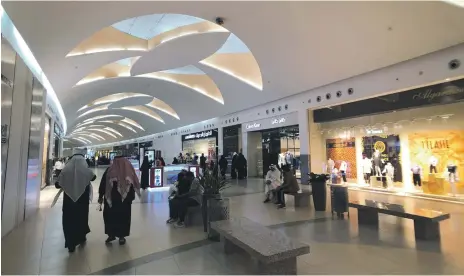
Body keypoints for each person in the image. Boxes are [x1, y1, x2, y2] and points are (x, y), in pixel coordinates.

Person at [55, 150, 96, 252]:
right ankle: (81, 237)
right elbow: (94, 177)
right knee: (81, 218)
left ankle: (70, 243)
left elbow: (57, 184)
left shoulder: (66, 170)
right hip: (82, 201)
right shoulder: (85, 170)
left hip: (69, 202)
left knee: (69, 220)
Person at [98, 157, 141, 245]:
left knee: (110, 217)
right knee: (123, 217)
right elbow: (133, 183)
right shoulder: (129, 170)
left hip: (112, 199)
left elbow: (103, 184)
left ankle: (112, 235)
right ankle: (120, 236)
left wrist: (101, 195)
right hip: (124, 200)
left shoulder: (110, 170)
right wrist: (131, 197)